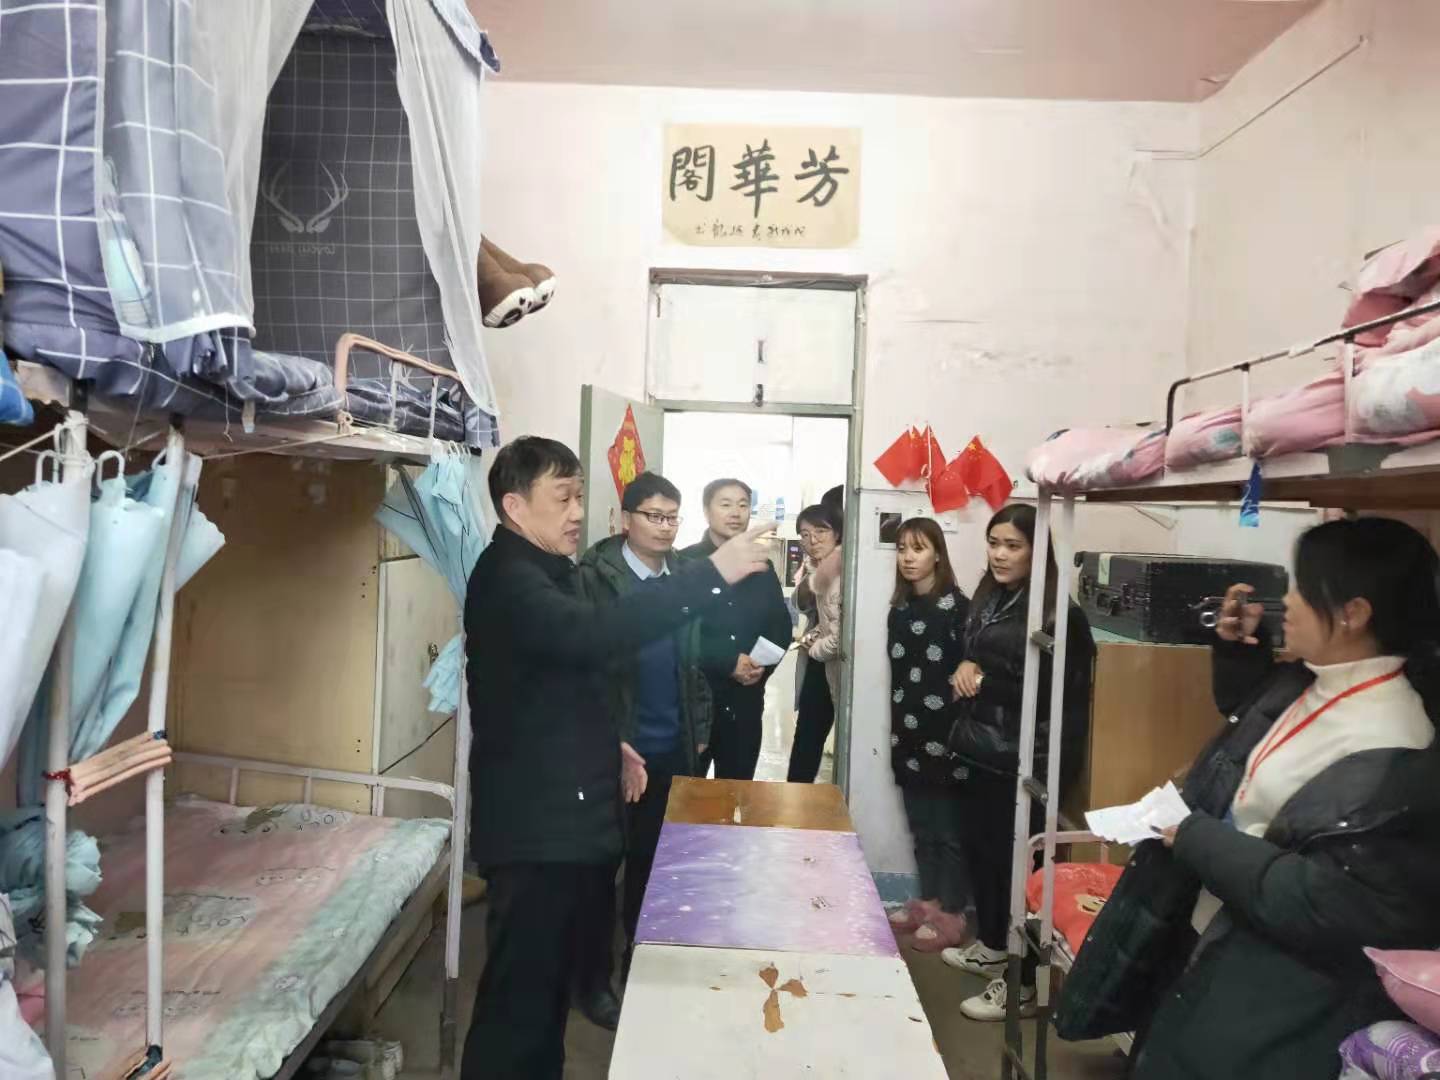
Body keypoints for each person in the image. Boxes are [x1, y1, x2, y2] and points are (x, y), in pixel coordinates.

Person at [1069, 518, 1440, 1080]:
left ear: (1353, 613)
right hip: (1216, 934)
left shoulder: (1393, 739)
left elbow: (1321, 896)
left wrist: (1195, 836)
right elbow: (1266, 739)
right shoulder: (1317, 681)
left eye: (1301, 588)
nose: (1285, 602)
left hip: (1271, 981)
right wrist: (1239, 652)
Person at [461, 437, 774, 1080]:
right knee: (518, 1001)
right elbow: (593, 636)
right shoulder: (509, 579)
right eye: (563, 498)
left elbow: (560, 680)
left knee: (544, 996)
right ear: (515, 506)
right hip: (533, 827)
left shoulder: (551, 570)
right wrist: (712, 572)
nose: (578, 511)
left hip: (561, 813)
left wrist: (611, 743)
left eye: (580, 496)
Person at [942, 503, 1095, 1022]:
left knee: (1019, 871)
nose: (1000, 554)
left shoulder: (1058, 615)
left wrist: (983, 680)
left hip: (1027, 758)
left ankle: (1023, 984)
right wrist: (969, 664)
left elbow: (1058, 693)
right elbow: (978, 655)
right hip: (984, 747)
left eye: (1013, 545)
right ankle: (992, 944)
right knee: (983, 854)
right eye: (994, 543)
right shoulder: (993, 597)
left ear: (1037, 551)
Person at [575, 473, 712, 967]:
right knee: (598, 861)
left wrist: (699, 729)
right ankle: (592, 969)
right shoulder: (594, 580)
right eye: (655, 516)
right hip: (615, 745)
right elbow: (583, 670)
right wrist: (607, 738)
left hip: (671, 742)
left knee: (653, 859)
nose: (665, 527)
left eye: (673, 518)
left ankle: (640, 955)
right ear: (625, 519)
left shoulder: (685, 576)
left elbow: (695, 662)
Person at [883, 518, 974, 951]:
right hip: (907, 732)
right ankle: (929, 901)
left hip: (949, 737)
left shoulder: (960, 608)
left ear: (938, 554)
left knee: (949, 831)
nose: (908, 557)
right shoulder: (900, 609)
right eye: (902, 548)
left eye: (918, 548)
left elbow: (973, 676)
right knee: (921, 827)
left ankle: (952, 912)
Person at [683, 479, 793, 781]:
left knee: (738, 793)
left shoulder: (762, 567)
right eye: (726, 504)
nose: (736, 512)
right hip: (695, 705)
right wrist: (728, 662)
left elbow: (780, 626)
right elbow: (680, 632)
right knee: (686, 795)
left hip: (745, 701)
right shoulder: (685, 564)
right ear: (706, 511)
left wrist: (758, 667)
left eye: (743, 505)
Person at [788, 502, 844, 782]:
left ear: (838, 533)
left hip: (837, 665)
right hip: (824, 664)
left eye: (821, 531)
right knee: (807, 735)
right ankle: (796, 794)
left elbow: (842, 636)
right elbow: (803, 606)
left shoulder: (843, 574)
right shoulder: (819, 569)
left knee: (815, 736)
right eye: (805, 534)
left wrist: (815, 647)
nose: (812, 540)